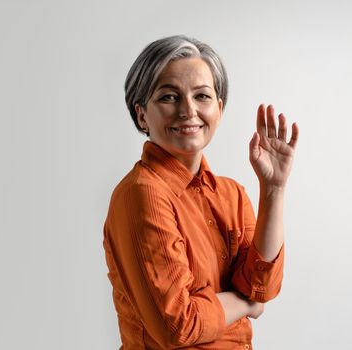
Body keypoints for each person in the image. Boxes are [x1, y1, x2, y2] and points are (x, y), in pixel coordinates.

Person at [103, 35, 299, 349]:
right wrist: (245, 305)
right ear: (142, 115)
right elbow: (178, 325)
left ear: (219, 109)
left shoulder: (231, 194)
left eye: (202, 96)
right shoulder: (142, 194)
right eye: (169, 97)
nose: (188, 110)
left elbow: (262, 287)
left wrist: (273, 189)